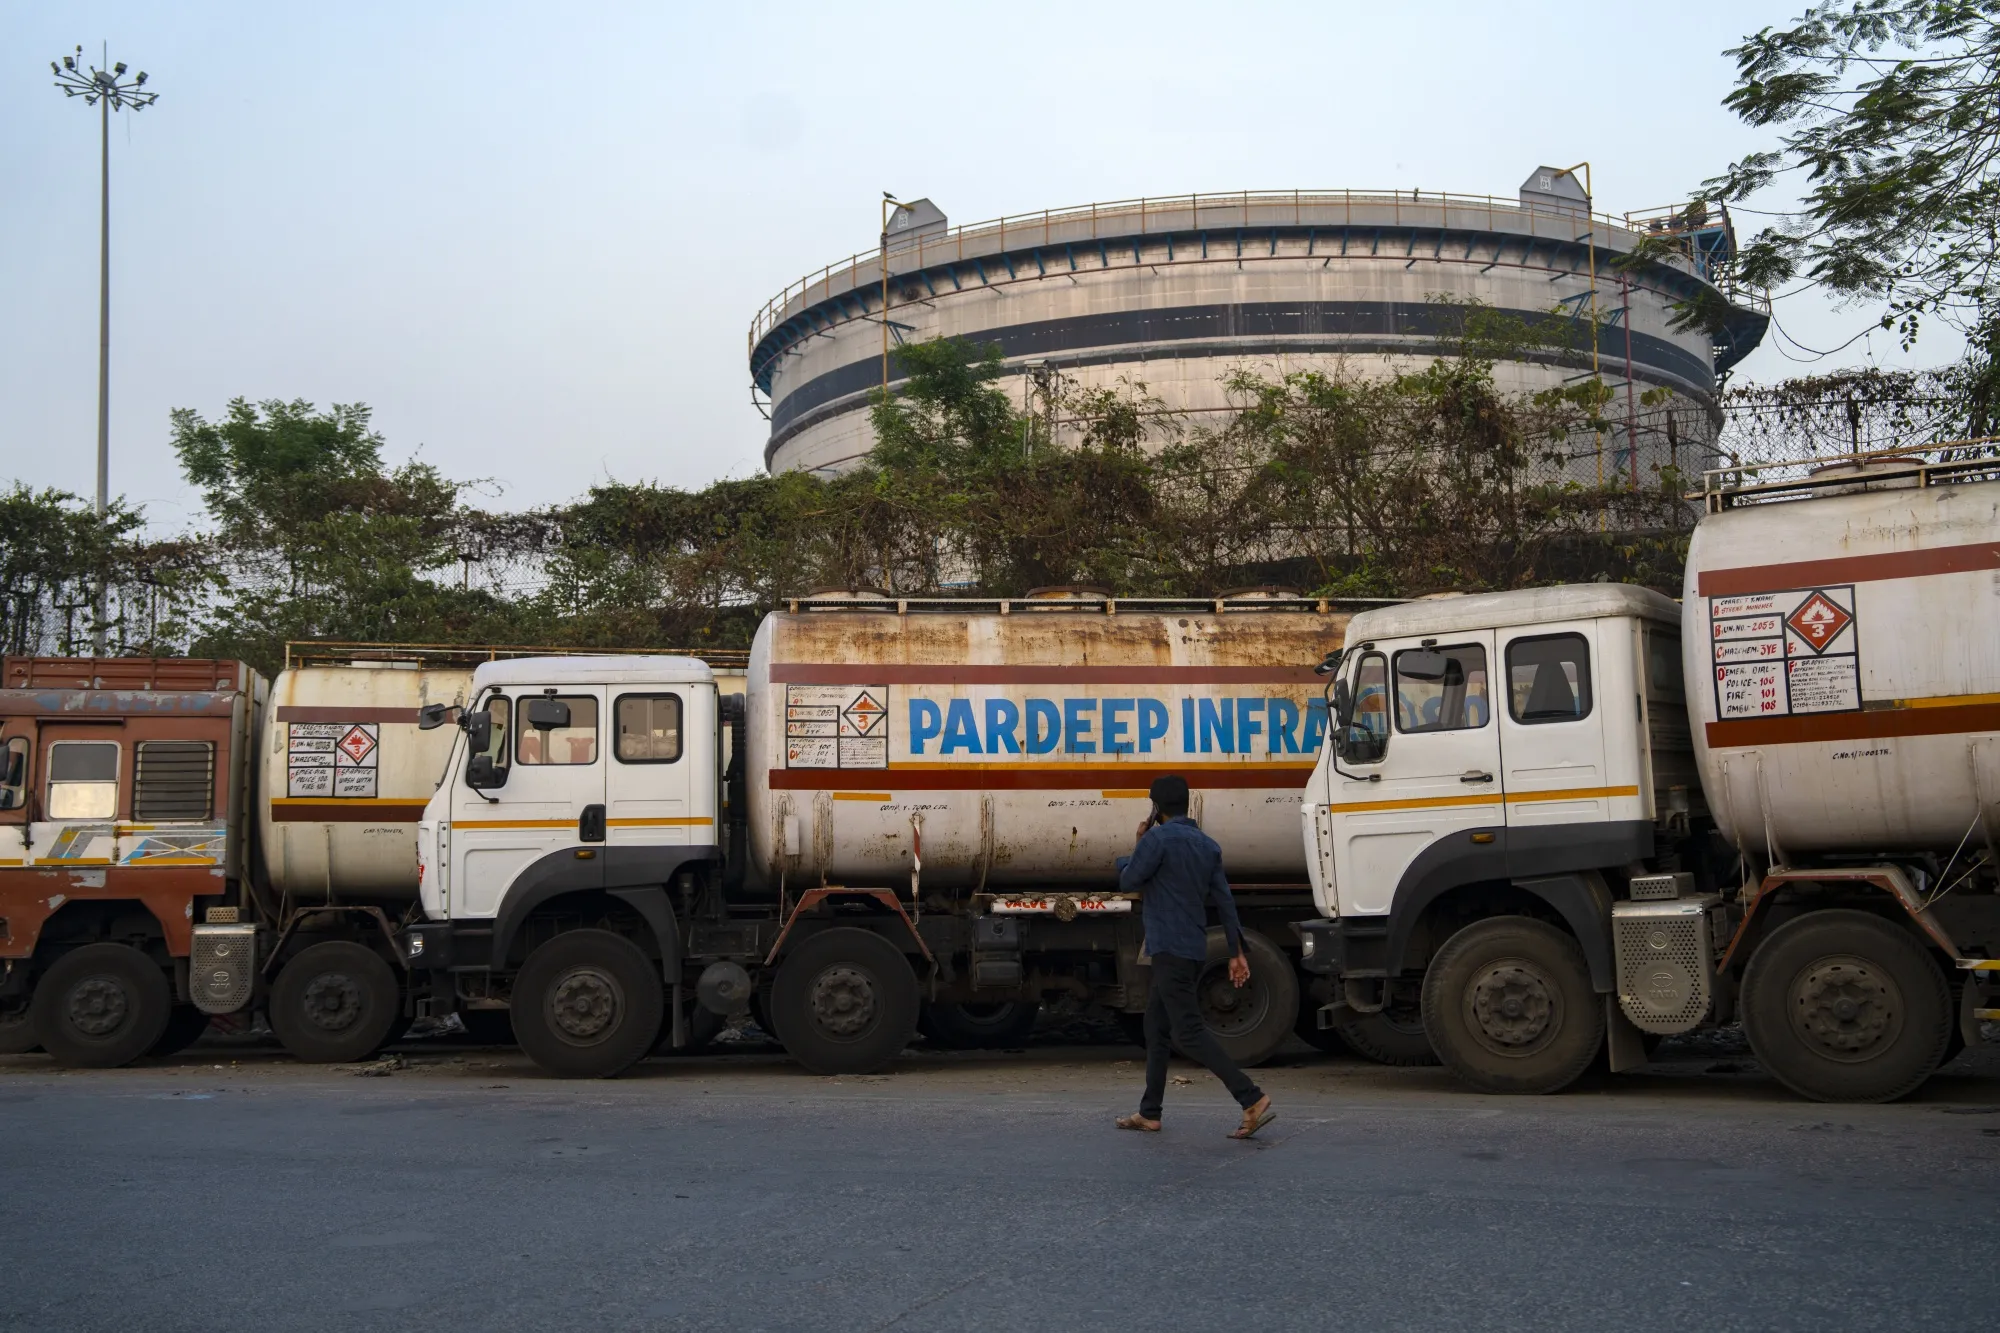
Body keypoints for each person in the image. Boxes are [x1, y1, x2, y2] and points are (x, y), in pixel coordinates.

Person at [1112, 775, 1275, 1140]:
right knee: (1155, 1026)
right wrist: (1236, 951)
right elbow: (1225, 901)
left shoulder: (1156, 839)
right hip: (1192, 948)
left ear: (1156, 809)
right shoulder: (1207, 845)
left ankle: (1251, 1097)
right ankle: (1149, 1112)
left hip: (1168, 949)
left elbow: (1129, 880)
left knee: (1189, 1030)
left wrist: (1134, 849)